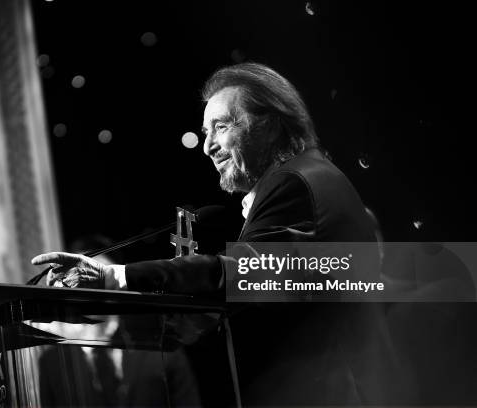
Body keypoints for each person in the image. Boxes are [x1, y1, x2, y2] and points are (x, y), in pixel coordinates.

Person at [32, 63, 407, 405]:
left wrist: (114, 276)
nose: (208, 146)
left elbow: (239, 274)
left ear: (270, 124)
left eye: (222, 127)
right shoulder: (312, 177)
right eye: (205, 131)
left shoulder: (295, 184)